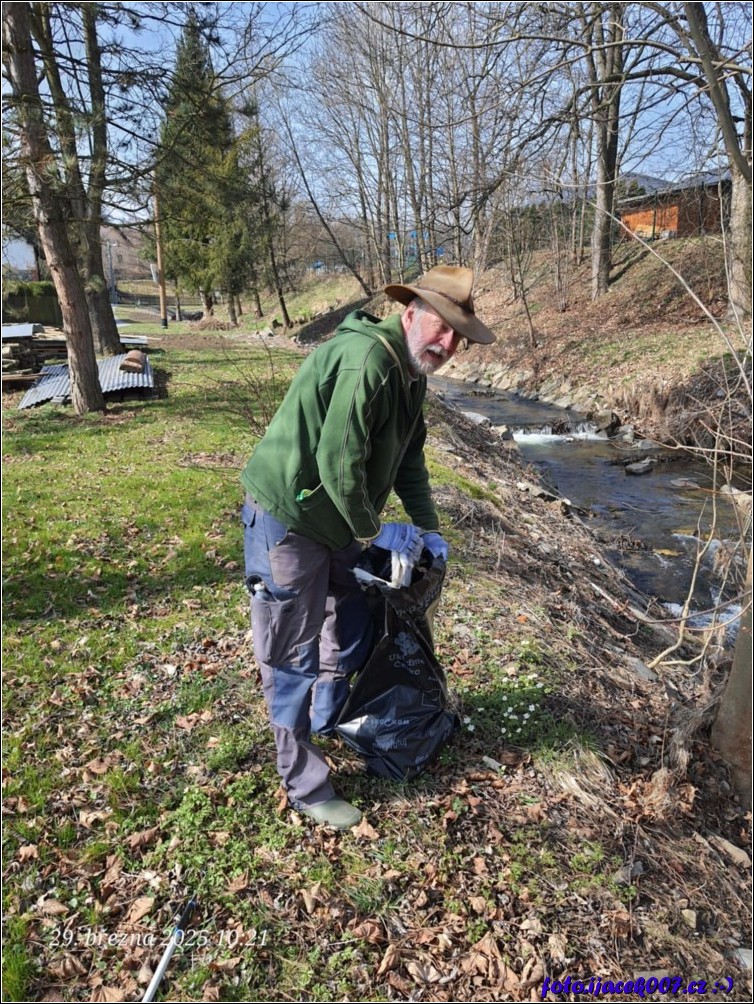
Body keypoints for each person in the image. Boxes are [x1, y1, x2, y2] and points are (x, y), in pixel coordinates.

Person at [240, 265, 496, 829]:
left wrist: (428, 528)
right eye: (441, 327)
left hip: (338, 522)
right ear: (410, 313)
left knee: (350, 624)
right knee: (291, 653)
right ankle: (305, 784)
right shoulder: (371, 362)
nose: (448, 344)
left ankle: (328, 723)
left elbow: (408, 459)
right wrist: (375, 533)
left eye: (458, 335)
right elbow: (338, 462)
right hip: (291, 517)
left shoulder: (412, 375)